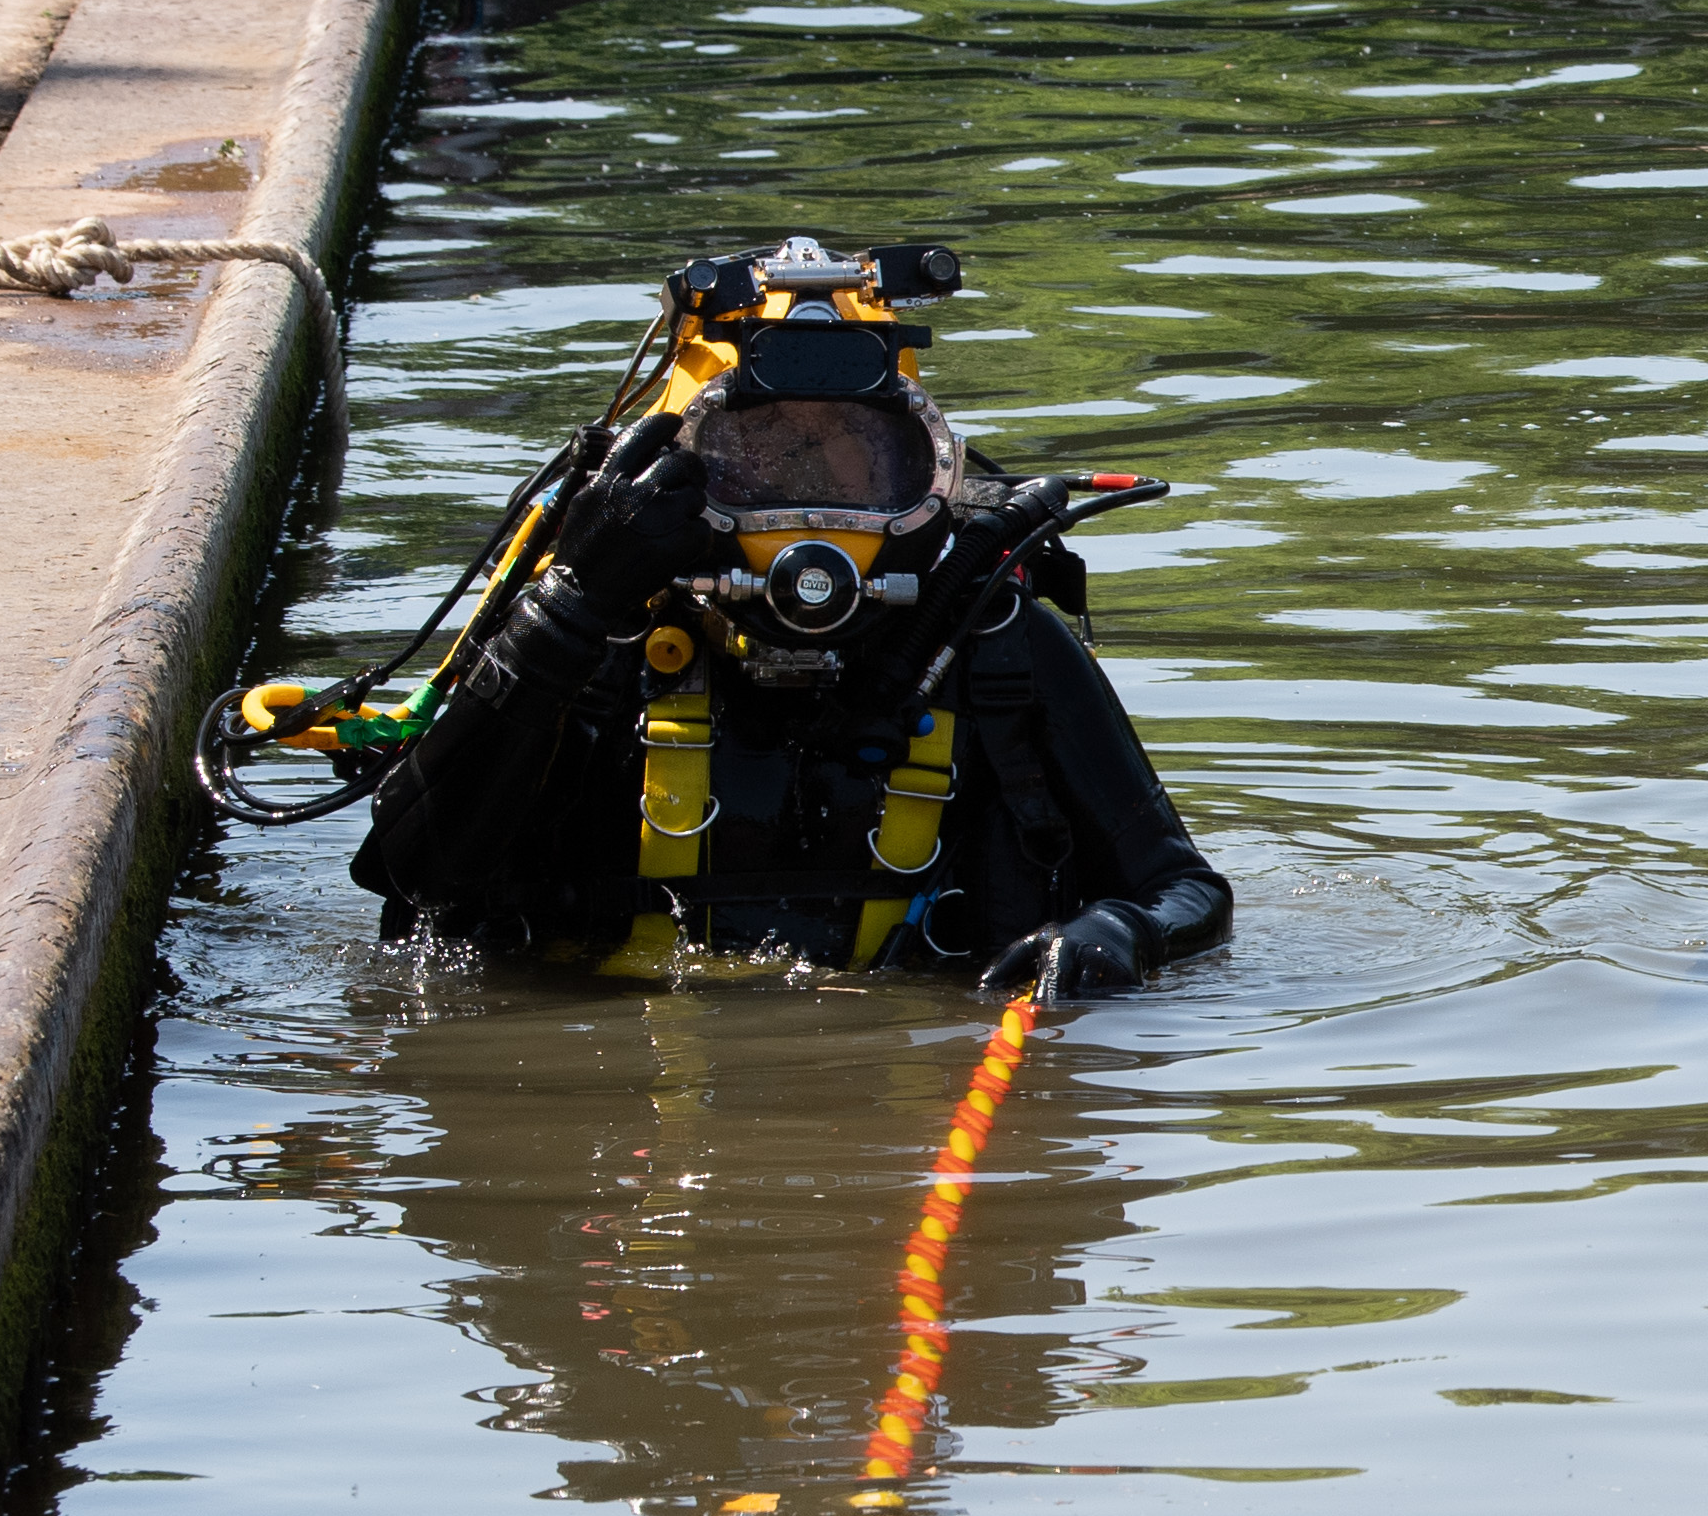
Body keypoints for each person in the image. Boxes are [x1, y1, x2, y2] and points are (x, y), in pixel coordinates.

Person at [343, 236, 1227, 995]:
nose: (811, 520)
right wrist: (573, 607)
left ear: (928, 477)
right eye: (759, 465)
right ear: (680, 477)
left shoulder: (989, 639)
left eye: (854, 468)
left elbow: (1184, 889)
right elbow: (414, 881)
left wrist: (1121, 934)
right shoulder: (599, 637)